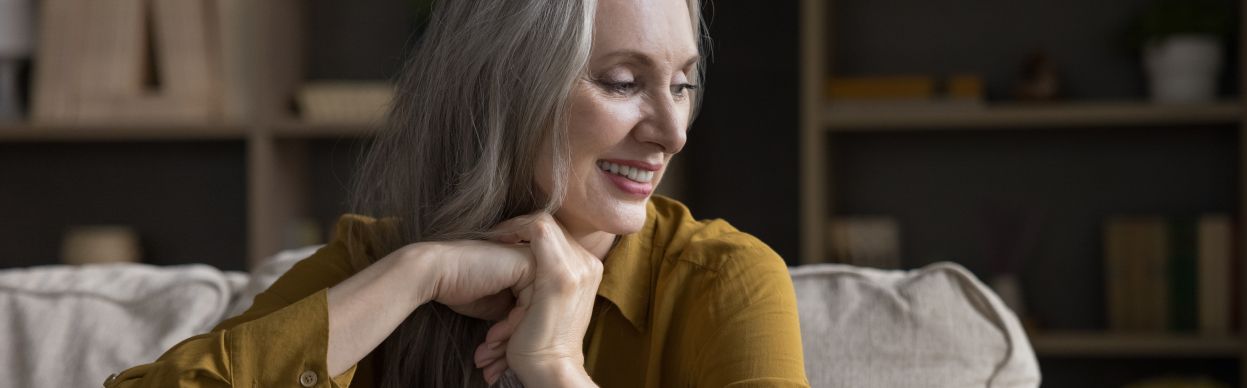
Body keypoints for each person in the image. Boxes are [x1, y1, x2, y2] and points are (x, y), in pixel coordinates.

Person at [107, 0, 807, 387]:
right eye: (623, 83)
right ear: (505, 89)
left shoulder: (722, 281)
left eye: (682, 84)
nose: (672, 133)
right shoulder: (377, 262)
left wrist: (556, 369)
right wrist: (419, 273)